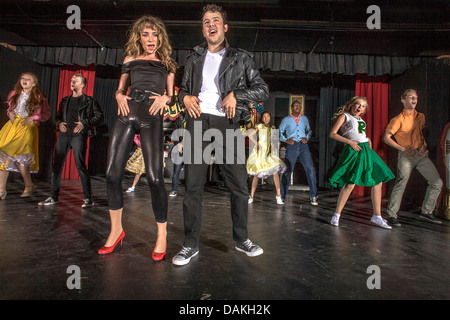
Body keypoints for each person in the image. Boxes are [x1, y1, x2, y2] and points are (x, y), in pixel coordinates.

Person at [172, 4, 269, 266]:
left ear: (225, 27)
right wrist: (186, 96)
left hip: (228, 123)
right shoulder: (192, 58)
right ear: (202, 29)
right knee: (192, 185)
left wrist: (236, 94)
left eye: (216, 20)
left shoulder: (241, 58)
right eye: (206, 22)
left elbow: (262, 90)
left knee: (238, 185)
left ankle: (242, 239)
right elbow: (180, 91)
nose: (211, 24)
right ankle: (190, 244)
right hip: (197, 120)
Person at [98, 15, 177, 261]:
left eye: (154, 34)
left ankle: (161, 234)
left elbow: (172, 95)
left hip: (151, 116)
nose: (150, 39)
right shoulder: (130, 59)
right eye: (145, 34)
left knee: (154, 177)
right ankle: (116, 230)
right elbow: (121, 88)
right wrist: (119, 95)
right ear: (139, 37)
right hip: (127, 112)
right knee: (112, 173)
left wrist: (166, 98)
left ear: (160, 37)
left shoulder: (168, 63)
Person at [38, 74, 103, 208]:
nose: (73, 82)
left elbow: (99, 118)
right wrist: (59, 123)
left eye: (76, 80)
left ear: (83, 85)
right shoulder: (65, 100)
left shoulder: (89, 101)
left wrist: (84, 123)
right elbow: (57, 117)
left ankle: (88, 198)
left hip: (78, 136)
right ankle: (53, 197)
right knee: (57, 166)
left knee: (80, 166)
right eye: (72, 80)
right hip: (64, 136)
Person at [328, 97, 394, 229]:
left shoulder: (360, 120)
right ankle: (336, 214)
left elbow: (359, 133)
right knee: (350, 183)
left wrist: (367, 139)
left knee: (377, 180)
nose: (360, 107)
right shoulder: (345, 116)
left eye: (363, 106)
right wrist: (350, 142)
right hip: (354, 150)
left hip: (366, 150)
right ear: (352, 105)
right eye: (358, 104)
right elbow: (333, 134)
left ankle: (377, 216)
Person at [383, 89, 443, 226]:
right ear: (403, 100)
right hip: (406, 156)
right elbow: (386, 138)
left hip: (421, 155)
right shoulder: (398, 119)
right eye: (410, 97)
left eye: (415, 97)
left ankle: (426, 212)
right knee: (401, 182)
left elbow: (420, 134)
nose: (414, 99)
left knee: (437, 182)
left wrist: (424, 145)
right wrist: (403, 149)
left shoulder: (421, 116)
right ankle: (392, 215)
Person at [0, 72, 50, 198]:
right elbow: (10, 109)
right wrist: (9, 113)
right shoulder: (14, 94)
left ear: (33, 84)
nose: (24, 81)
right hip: (12, 127)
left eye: (28, 79)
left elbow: (46, 115)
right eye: (23, 78)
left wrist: (33, 117)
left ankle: (29, 185)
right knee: (3, 156)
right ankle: (2, 190)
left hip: (27, 128)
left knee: (18, 158)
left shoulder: (39, 97)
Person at [279, 100, 318, 205]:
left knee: (310, 169)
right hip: (292, 145)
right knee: (287, 170)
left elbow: (309, 131)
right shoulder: (286, 120)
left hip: (303, 145)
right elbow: (279, 132)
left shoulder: (304, 119)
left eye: (299, 105)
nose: (297, 107)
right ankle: (282, 196)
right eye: (295, 105)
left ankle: (313, 196)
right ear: (291, 108)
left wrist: (307, 138)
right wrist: (286, 140)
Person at [247, 111, 286, 205]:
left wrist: (275, 144)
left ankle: (278, 196)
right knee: (257, 175)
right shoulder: (259, 126)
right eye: (264, 116)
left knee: (275, 171)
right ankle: (251, 196)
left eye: (268, 116)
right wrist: (256, 143)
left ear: (270, 118)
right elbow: (250, 135)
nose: (266, 118)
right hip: (261, 152)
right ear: (262, 118)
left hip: (270, 153)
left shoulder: (272, 128)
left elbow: (275, 140)